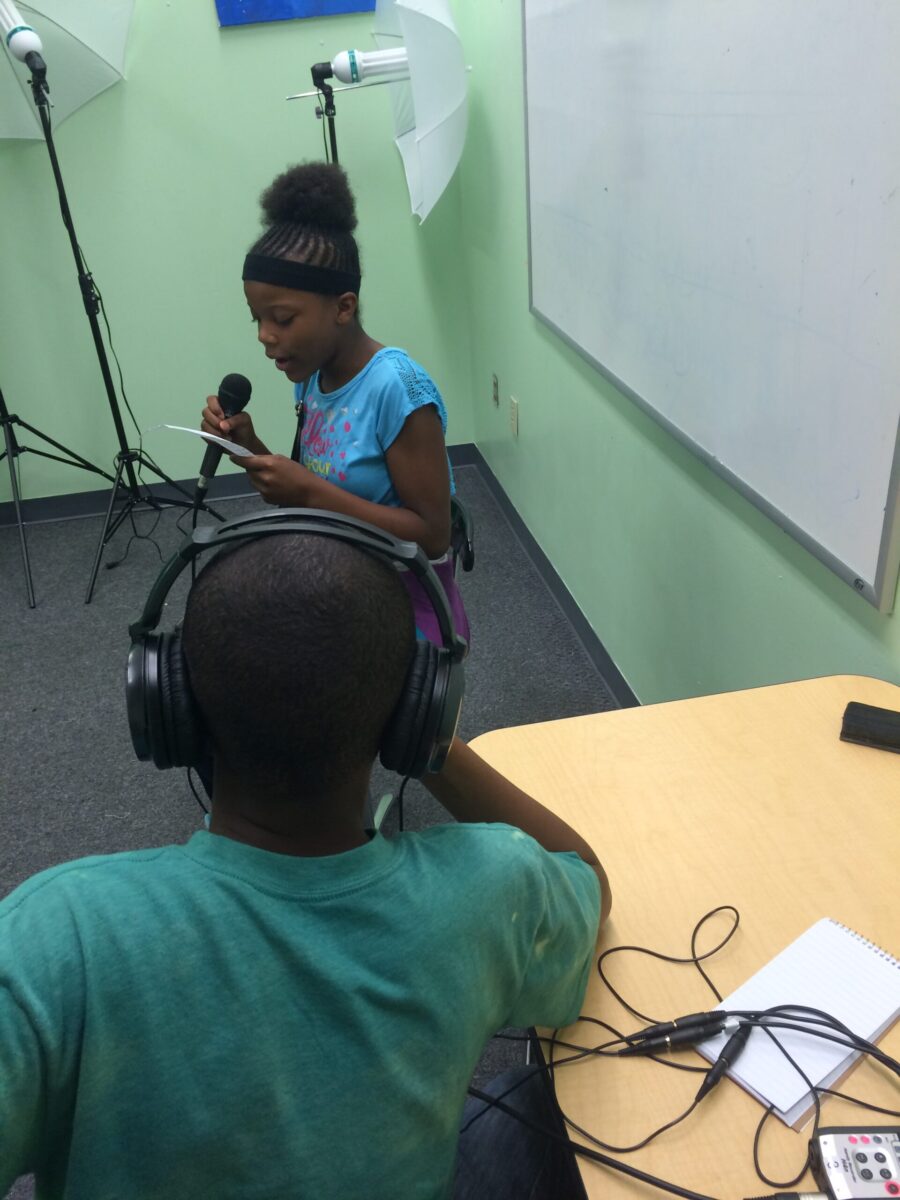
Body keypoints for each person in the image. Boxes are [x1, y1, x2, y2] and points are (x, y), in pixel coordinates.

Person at [0, 524, 610, 1199]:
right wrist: (433, 739)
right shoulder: (494, 886)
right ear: (412, 714)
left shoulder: (54, 941)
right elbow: (585, 877)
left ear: (170, 709)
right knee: (532, 1094)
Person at [201, 160, 470, 647]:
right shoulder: (311, 377)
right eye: (256, 318)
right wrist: (249, 447)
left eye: (282, 318)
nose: (265, 336)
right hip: (338, 585)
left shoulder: (397, 390)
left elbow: (431, 537)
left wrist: (308, 492)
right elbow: (311, 481)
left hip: (405, 609)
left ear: (343, 308)